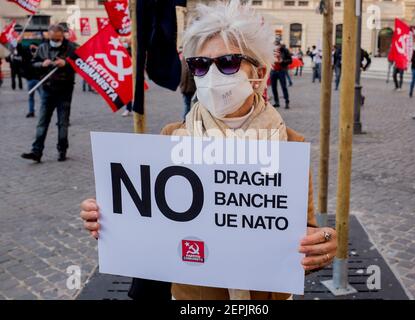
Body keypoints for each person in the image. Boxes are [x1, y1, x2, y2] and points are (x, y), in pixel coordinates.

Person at [80, 0, 337, 301]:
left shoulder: (290, 146)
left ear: (259, 73)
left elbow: (301, 236)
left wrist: (323, 244)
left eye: (228, 62)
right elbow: (152, 226)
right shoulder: (172, 136)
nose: (211, 75)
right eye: (200, 65)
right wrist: (111, 220)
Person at [21, 24, 76, 162]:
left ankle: (62, 150)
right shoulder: (43, 47)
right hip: (47, 89)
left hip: (65, 89)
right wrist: (42, 64)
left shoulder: (71, 47)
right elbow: (33, 64)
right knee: (42, 122)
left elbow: (80, 64)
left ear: (63, 36)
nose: (55, 41)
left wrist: (66, 64)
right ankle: (36, 151)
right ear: (48, 36)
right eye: (53, 39)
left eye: (58, 39)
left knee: (63, 123)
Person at [270, 41, 291, 109]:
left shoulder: (284, 50)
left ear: (280, 45)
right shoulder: (271, 51)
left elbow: (290, 60)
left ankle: (287, 101)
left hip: (281, 71)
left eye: (277, 46)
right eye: (274, 46)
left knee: (283, 87)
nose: (276, 47)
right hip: (273, 71)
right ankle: (276, 102)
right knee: (273, 87)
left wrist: (282, 61)